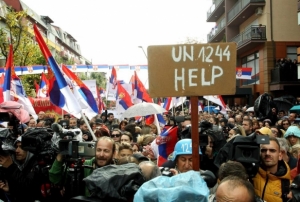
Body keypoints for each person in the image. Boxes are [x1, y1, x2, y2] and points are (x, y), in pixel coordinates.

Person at [49, 136, 116, 196]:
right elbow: (55, 180)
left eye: (106, 151)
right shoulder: (83, 165)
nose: (101, 154)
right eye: (98, 150)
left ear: (113, 153)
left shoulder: (119, 171)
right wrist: (61, 155)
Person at [0, 136, 43, 202]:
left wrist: (11, 167)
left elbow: (29, 189)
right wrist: (10, 190)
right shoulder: (17, 163)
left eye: (21, 147)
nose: (17, 151)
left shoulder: (37, 165)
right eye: (16, 147)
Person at [252, 137, 291, 202]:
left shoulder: (288, 185)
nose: (267, 153)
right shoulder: (251, 174)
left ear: (280, 155)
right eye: (263, 150)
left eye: (272, 150)